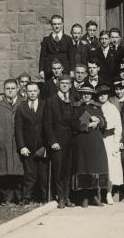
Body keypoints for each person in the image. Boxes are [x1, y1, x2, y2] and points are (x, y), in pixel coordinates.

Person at [0, 79, 24, 205]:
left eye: (13, 88)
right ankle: (7, 199)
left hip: (19, 145)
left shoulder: (23, 103)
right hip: (2, 146)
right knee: (5, 174)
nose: (10, 90)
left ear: (17, 89)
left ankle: (20, 198)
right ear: (4, 90)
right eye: (7, 88)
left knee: (19, 173)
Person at [71, 85, 108, 207]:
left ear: (92, 94)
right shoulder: (76, 106)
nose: (86, 95)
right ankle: (84, 197)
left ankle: (95, 196)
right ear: (81, 94)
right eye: (84, 93)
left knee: (96, 168)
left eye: (89, 93)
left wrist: (99, 120)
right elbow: (74, 124)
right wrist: (88, 123)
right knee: (84, 168)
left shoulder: (97, 106)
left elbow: (104, 124)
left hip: (95, 141)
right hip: (82, 141)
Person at [44, 74, 75, 208]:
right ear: (58, 84)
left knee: (68, 170)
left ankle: (67, 197)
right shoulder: (51, 101)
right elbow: (47, 124)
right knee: (58, 170)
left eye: (67, 83)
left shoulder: (74, 100)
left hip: (71, 141)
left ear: (71, 85)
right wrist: (53, 141)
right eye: (62, 83)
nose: (64, 85)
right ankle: (60, 197)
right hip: (57, 142)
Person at [15, 82, 47, 205]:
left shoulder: (45, 105)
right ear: (26, 92)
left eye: (34, 91)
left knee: (44, 174)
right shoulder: (21, 107)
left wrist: (47, 145)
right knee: (30, 173)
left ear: (38, 91)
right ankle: (26, 197)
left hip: (43, 146)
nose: (32, 93)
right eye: (30, 91)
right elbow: (18, 129)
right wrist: (22, 146)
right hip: (28, 147)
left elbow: (49, 126)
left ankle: (45, 197)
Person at [97, 84, 124, 205]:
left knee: (111, 167)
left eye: (104, 94)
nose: (102, 97)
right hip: (98, 140)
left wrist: (116, 142)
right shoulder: (95, 107)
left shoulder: (113, 108)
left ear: (107, 95)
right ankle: (97, 194)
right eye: (100, 95)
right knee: (98, 167)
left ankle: (108, 193)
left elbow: (118, 126)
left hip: (110, 139)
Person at [39, 15, 72, 80]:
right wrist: (41, 70)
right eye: (54, 24)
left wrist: (72, 70)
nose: (57, 26)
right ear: (51, 25)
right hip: (49, 70)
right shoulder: (46, 40)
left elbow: (71, 56)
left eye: (59, 24)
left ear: (62, 24)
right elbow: (42, 56)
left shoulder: (68, 39)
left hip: (65, 69)